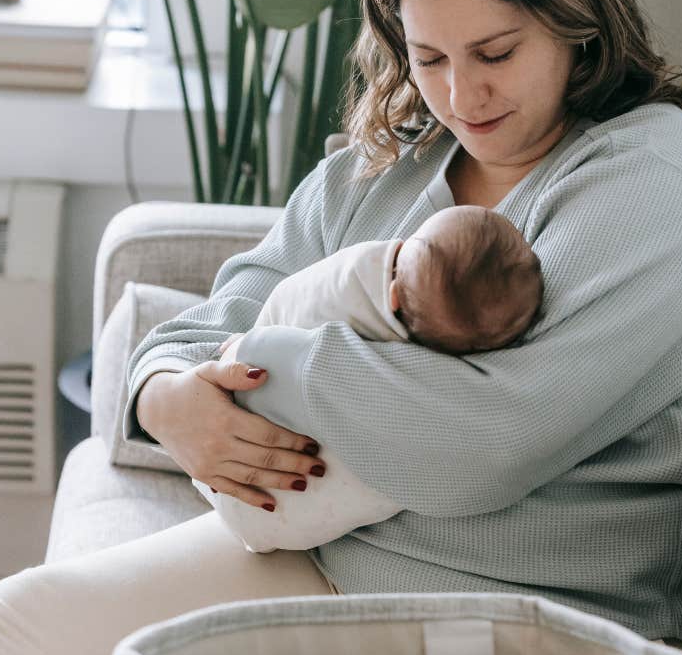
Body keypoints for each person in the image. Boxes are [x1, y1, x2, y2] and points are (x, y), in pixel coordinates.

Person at [0, 0, 682, 655]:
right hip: (322, 553)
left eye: (496, 52)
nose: (460, 94)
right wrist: (166, 399)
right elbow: (228, 306)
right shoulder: (390, 163)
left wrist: (262, 365)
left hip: (515, 619)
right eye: (428, 55)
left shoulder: (656, 185)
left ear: (575, 20)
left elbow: (480, 444)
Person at [195, 204, 544, 554]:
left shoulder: (357, 281)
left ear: (392, 294)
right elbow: (230, 303)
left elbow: (292, 302)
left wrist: (250, 346)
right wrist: (161, 388)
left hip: (273, 505)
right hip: (275, 504)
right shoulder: (345, 187)